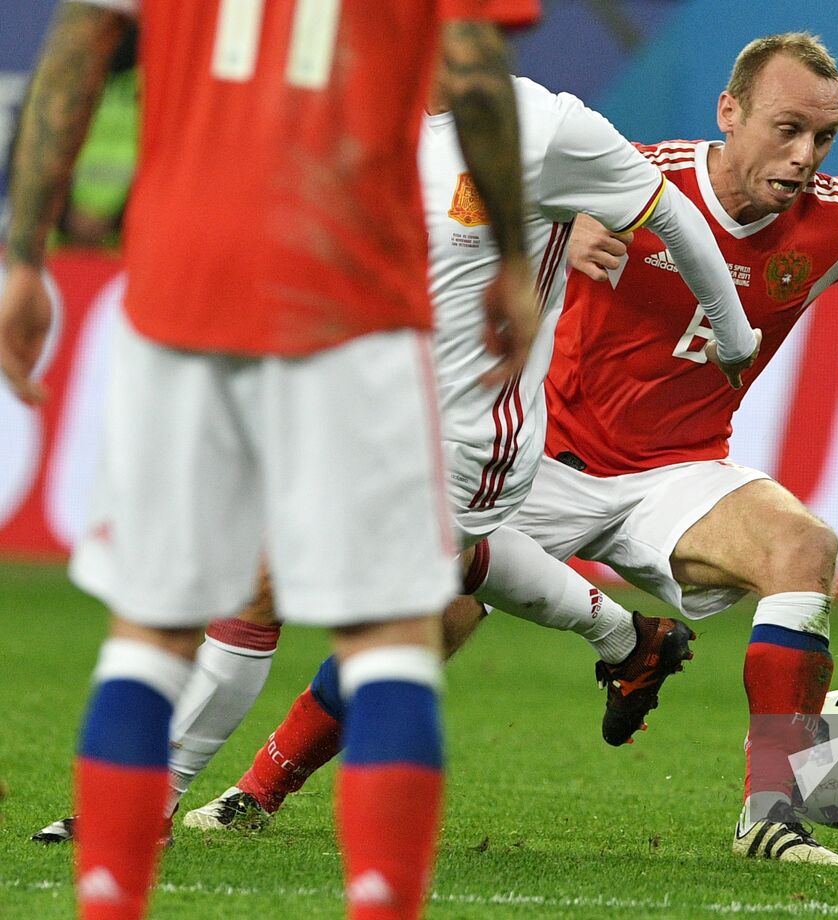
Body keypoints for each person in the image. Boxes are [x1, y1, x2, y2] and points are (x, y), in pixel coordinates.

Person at [67, 30, 838, 869]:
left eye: (821, 133)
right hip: (539, 460)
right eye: (785, 127)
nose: (801, 153)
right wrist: (567, 225)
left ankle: (767, 811)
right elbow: (554, 188)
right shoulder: (629, 174)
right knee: (419, 624)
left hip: (674, 474)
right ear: (730, 115)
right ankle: (257, 792)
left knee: (802, 543)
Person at [33, 70, 762, 848]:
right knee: (447, 562)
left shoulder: (544, 128)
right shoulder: (357, 111)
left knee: (261, 583)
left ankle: (146, 808)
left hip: (472, 435)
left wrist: (736, 334)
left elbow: (673, 213)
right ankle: (629, 641)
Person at [0, 1, 539, 918]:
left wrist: (23, 254)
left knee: (152, 630)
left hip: (180, 285)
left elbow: (80, 44)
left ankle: (108, 901)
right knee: (388, 637)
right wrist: (515, 257)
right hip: (352, 288)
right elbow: (475, 66)